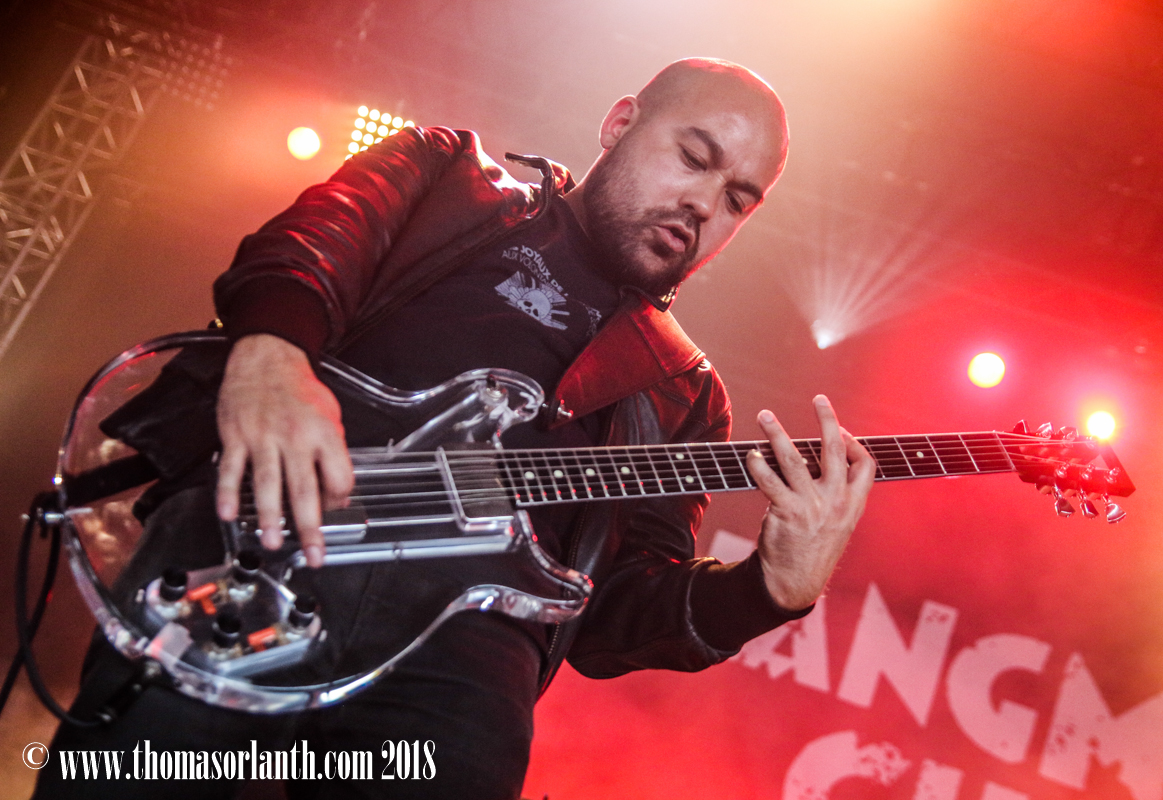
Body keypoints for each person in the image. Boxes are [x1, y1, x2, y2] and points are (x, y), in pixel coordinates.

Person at [35, 58, 874, 799]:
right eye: (693, 158)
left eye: (737, 200)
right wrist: (273, 353)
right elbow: (311, 243)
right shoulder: (449, 176)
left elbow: (613, 614)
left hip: (464, 659)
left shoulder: (683, 390)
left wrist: (770, 590)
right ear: (621, 123)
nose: (702, 203)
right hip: (265, 541)